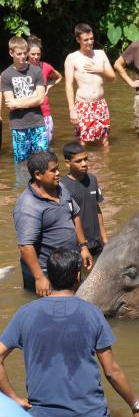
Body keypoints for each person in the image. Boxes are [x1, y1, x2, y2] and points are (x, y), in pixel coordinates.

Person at [0, 248, 139, 417]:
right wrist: (137, 407)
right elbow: (112, 372)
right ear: (78, 276)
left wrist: (13, 398)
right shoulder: (92, 314)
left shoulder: (25, 314)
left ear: (48, 276)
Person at [13, 150, 93, 295]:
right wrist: (39, 277)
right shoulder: (28, 206)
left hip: (69, 262)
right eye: (53, 171)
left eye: (58, 169)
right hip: (46, 271)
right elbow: (25, 246)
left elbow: (75, 214)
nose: (58, 174)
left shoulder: (60, 188)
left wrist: (83, 247)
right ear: (38, 175)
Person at [65, 23, 115, 147]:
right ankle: (83, 165)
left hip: (100, 105)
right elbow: (68, 85)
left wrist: (100, 69)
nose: (90, 42)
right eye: (86, 40)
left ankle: (105, 166)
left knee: (104, 141)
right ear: (78, 40)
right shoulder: (72, 58)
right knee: (82, 141)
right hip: (83, 105)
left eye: (91, 39)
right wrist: (72, 110)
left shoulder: (101, 54)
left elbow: (113, 78)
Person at [1, 36, 48, 162]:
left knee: (43, 161)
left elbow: (40, 99)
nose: (22, 56)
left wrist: (19, 102)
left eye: (24, 53)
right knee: (21, 162)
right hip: (18, 125)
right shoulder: (5, 75)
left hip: (38, 123)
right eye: (19, 54)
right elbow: (10, 104)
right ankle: (22, 183)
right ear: (11, 53)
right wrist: (32, 97)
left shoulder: (36, 71)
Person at [62, 141, 107, 256]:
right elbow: (67, 219)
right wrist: (83, 247)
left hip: (97, 241)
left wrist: (104, 237)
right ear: (67, 163)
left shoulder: (92, 179)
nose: (84, 164)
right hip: (77, 245)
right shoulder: (63, 187)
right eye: (78, 161)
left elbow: (97, 209)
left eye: (85, 159)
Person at [27, 35, 62, 144]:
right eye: (33, 54)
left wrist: (49, 86)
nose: (36, 57)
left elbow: (59, 77)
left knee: (46, 145)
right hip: (29, 112)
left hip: (45, 112)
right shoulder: (22, 67)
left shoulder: (45, 66)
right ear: (27, 53)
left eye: (38, 54)